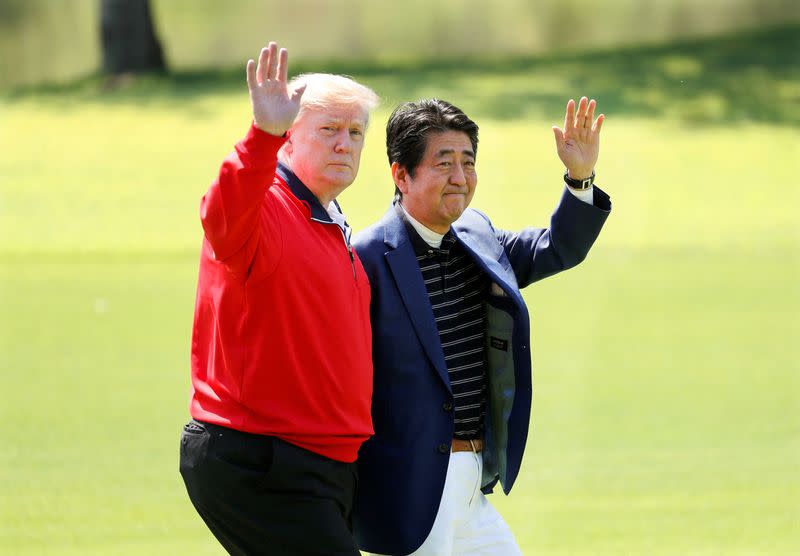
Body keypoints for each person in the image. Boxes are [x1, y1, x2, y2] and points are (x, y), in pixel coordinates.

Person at [351, 97, 611, 555]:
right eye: (444, 163)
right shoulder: (366, 258)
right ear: (401, 174)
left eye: (468, 163)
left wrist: (579, 179)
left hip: (474, 483)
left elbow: (558, 248)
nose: (460, 177)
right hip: (411, 493)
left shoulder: (478, 237)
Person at [178, 42, 379, 556]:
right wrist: (260, 136)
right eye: (329, 130)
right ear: (289, 136)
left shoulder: (329, 225)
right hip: (263, 458)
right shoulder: (265, 206)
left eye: (355, 132)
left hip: (319, 466)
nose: (345, 145)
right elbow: (223, 211)